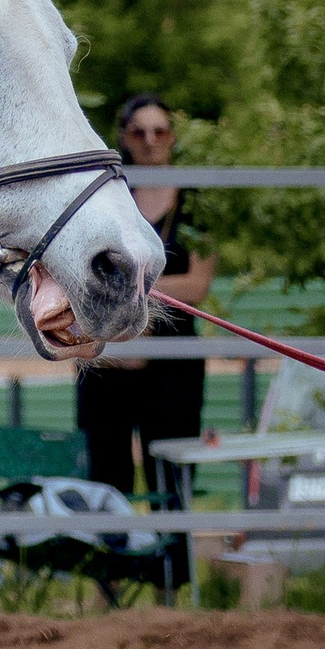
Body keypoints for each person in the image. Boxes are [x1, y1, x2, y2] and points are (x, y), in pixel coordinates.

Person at [75, 92, 216, 504]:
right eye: (139, 132)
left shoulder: (196, 204)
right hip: (110, 357)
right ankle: (114, 567)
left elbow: (198, 286)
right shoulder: (104, 198)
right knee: (106, 475)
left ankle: (172, 569)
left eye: (160, 130)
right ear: (124, 138)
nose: (150, 140)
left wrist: (134, 288)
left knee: (172, 478)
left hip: (172, 362)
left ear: (173, 137)